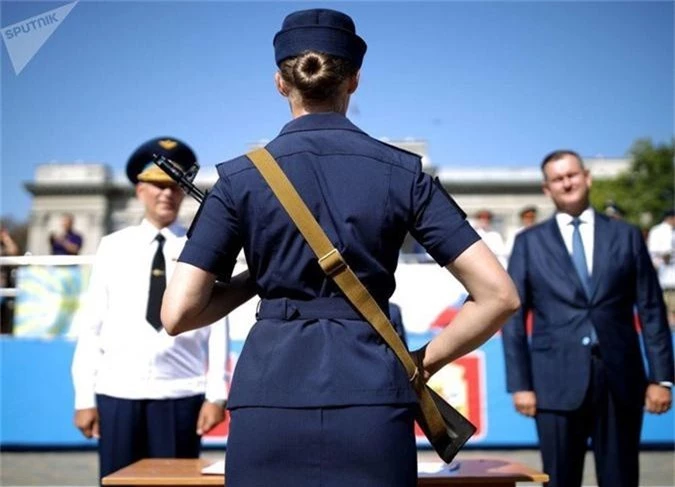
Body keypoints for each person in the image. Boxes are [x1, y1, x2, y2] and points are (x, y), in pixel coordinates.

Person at [161, 9, 519, 487]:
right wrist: (420, 363)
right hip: (373, 394)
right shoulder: (403, 173)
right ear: (353, 80)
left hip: (270, 396)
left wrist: (259, 276)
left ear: (279, 83)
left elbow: (177, 313)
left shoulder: (239, 180)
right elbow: (500, 296)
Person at [502, 150, 674, 487]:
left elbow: (651, 309)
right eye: (558, 178)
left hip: (620, 379)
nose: (567, 183)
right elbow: (514, 318)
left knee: (621, 478)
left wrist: (662, 378)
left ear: (587, 177)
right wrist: (521, 385)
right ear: (546, 189)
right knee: (560, 479)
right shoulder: (528, 243)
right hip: (553, 383)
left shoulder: (626, 236)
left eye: (572, 175)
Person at [70, 137, 228, 481]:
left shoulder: (200, 247)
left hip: (181, 392)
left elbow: (218, 325)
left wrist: (216, 394)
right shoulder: (112, 247)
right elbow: (92, 325)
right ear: (139, 189)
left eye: (174, 185)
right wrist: (84, 396)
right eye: (156, 185)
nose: (166, 194)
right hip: (117, 392)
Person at [0, 227, 20, 334]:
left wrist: (6, 238)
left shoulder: (5, 246)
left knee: (4, 316)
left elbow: (14, 251)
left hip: (4, 286)